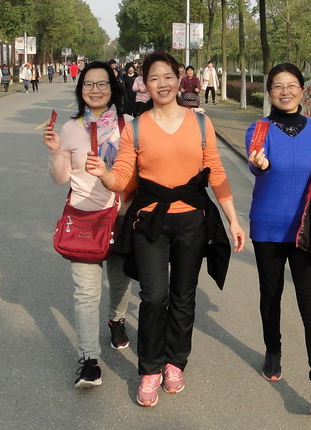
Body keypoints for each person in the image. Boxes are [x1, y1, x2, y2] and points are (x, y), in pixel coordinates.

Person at [85, 51, 245, 407]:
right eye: (153, 78)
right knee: (154, 295)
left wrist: (233, 219)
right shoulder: (136, 127)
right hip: (150, 221)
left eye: (168, 76)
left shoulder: (200, 124)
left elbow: (216, 172)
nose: (162, 83)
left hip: (192, 221)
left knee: (183, 296)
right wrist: (105, 175)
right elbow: (123, 176)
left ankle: (175, 363)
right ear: (144, 83)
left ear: (179, 79)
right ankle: (149, 369)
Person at [245, 63, 311, 415]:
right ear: (269, 92)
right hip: (268, 228)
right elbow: (256, 163)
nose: (285, 91)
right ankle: (273, 350)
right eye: (277, 86)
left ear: (303, 90)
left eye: (291, 85)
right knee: (271, 295)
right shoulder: (259, 128)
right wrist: (260, 164)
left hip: (308, 230)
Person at [42, 61, 134, 389]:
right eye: (88, 84)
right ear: (81, 90)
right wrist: (56, 151)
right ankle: (89, 360)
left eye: (102, 84)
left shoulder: (129, 125)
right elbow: (60, 178)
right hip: (85, 218)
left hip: (121, 218)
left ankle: (116, 320)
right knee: (86, 293)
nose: (95, 90)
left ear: (113, 88)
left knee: (120, 281)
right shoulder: (71, 129)